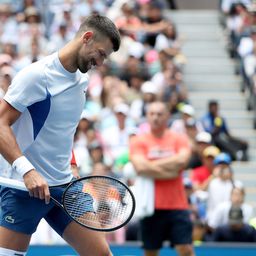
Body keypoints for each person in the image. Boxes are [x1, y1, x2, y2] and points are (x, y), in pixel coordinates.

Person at [0, 14, 120, 256]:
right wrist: (28, 171)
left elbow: (63, 131)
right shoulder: (36, 76)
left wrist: (72, 163)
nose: (101, 61)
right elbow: (1, 123)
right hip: (23, 188)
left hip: (65, 188)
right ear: (86, 38)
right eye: (101, 53)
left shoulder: (82, 81)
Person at [130, 101, 194, 256]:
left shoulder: (179, 139)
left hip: (178, 205)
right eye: (152, 114)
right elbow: (140, 167)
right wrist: (170, 171)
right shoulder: (138, 141)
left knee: (185, 249)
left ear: (167, 116)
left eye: (159, 114)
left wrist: (150, 166)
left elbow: (183, 161)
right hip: (150, 207)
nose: (155, 118)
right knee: (150, 252)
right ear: (147, 116)